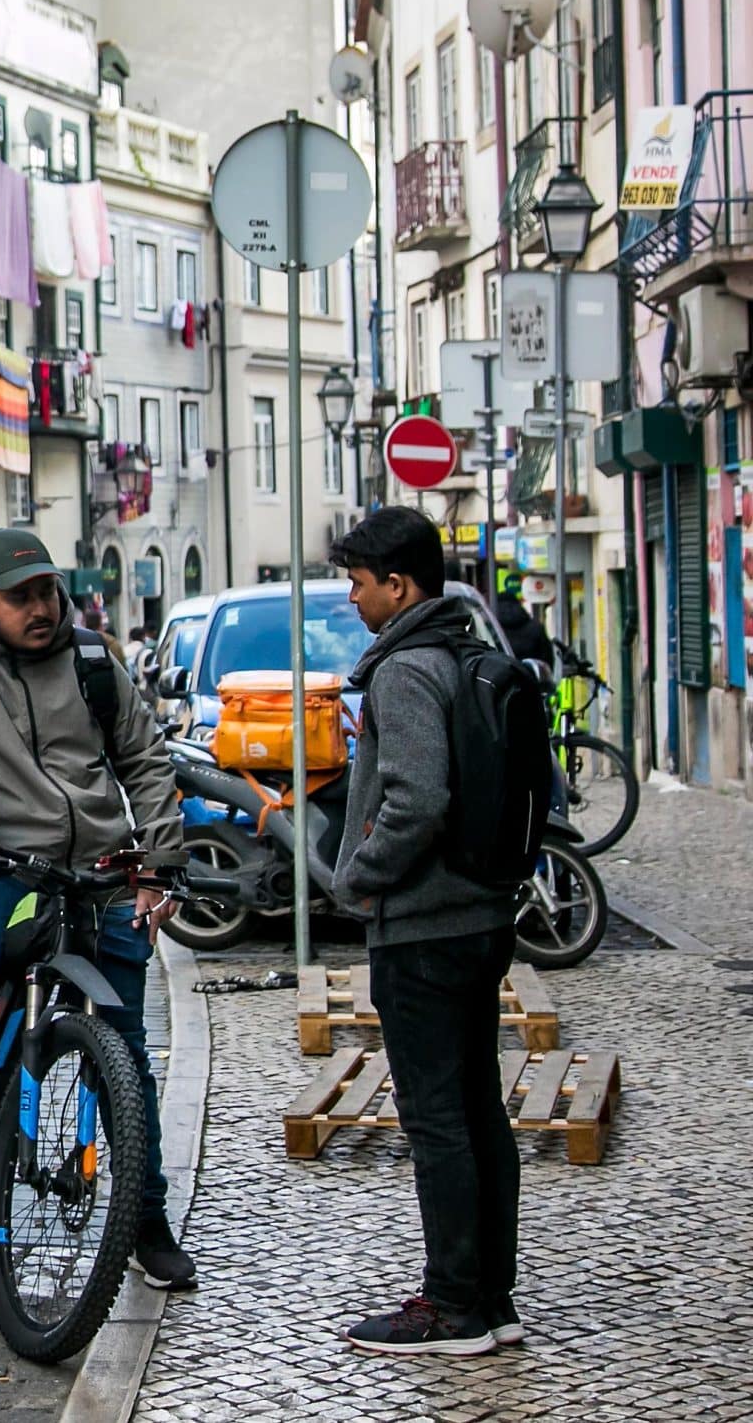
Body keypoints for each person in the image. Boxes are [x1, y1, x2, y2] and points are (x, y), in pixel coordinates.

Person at [0, 527, 196, 1289]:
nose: (40, 608)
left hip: (100, 869)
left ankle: (145, 1215)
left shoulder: (94, 662)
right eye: (20, 596)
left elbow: (147, 760)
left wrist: (157, 865)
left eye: (47, 592)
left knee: (125, 1049)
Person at [330, 508, 527, 1356]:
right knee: (480, 1108)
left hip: (420, 928)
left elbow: (415, 800)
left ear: (399, 585)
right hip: (480, 916)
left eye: (360, 581)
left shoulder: (404, 671)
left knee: (438, 1117)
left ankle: (452, 1309)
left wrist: (356, 880)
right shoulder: (466, 653)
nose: (352, 596)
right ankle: (492, 1296)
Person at [491, 572, 554, 672]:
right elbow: (547, 659)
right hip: (530, 680)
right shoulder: (536, 628)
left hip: (502, 680)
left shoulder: (491, 630)